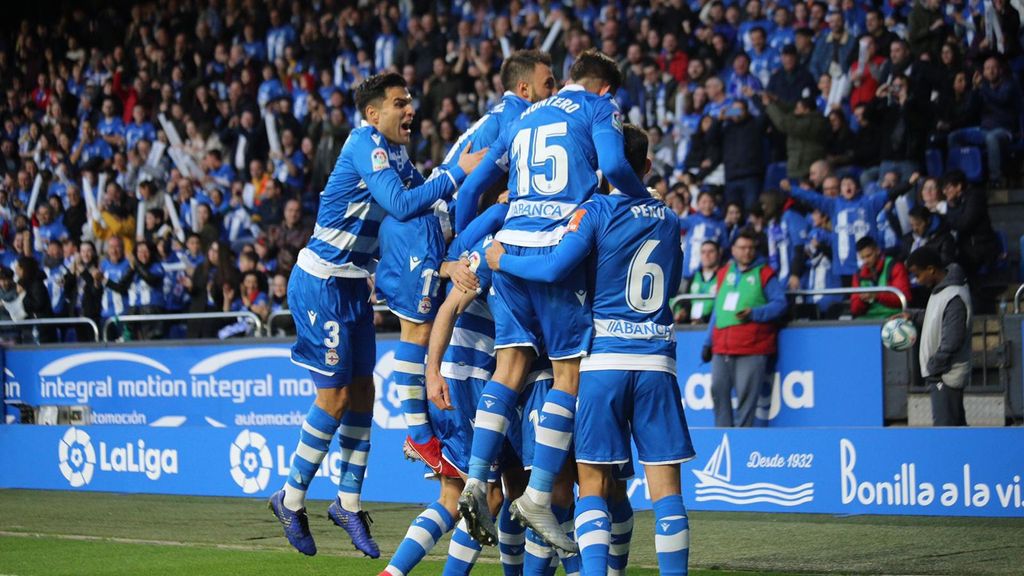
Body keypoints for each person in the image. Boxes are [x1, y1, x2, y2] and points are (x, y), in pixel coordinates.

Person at [267, 71, 486, 558]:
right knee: (336, 397)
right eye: (400, 103)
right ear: (374, 113)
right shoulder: (366, 146)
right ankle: (291, 497)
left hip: (353, 286)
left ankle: (347, 504)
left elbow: (421, 210)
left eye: (410, 101)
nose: (411, 110)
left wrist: (446, 255)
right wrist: (457, 172)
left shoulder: (399, 154)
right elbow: (401, 202)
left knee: (363, 391)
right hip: (320, 281)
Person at [456, 49, 648, 552]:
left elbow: (471, 188)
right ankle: (538, 493)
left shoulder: (523, 118)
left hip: (509, 248)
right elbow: (612, 163)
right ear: (606, 89)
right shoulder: (599, 109)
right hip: (555, 247)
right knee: (568, 374)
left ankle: (475, 481)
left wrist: (463, 247)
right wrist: (643, 197)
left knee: (510, 368)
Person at [487, 124, 694, 575]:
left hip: (601, 364)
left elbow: (556, 266)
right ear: (648, 167)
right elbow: (673, 284)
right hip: (658, 360)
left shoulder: (595, 211)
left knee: (593, 488)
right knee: (668, 494)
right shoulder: (670, 216)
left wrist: (504, 261)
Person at [388, 50, 556, 476]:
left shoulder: (507, 114)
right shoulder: (518, 119)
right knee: (421, 327)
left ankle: (432, 435)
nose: (555, 92)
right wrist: (459, 250)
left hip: (434, 226)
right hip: (432, 224)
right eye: (549, 83)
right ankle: (420, 433)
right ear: (525, 88)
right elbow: (467, 192)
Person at [701, 229, 788, 427]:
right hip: (722, 348)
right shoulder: (724, 273)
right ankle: (723, 441)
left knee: (746, 401)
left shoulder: (765, 273)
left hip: (752, 348)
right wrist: (708, 342)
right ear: (733, 250)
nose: (747, 252)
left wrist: (755, 313)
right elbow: (718, 309)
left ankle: (742, 445)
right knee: (717, 393)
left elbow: (780, 303)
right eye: (742, 248)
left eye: (750, 248)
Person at [902, 248, 971, 426]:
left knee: (945, 427)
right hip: (941, 374)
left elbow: (953, 339)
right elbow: (936, 317)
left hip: (945, 376)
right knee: (955, 424)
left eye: (918, 275)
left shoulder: (953, 295)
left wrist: (934, 366)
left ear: (931, 269)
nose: (916, 280)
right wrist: (913, 315)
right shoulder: (942, 290)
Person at [850, 236, 911, 319]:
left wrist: (876, 296)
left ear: (877, 250)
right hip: (867, 320)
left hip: (893, 317)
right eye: (862, 258)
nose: (866, 261)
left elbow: (904, 299)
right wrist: (862, 300)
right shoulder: (858, 275)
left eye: (869, 256)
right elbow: (855, 309)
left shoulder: (895, 267)